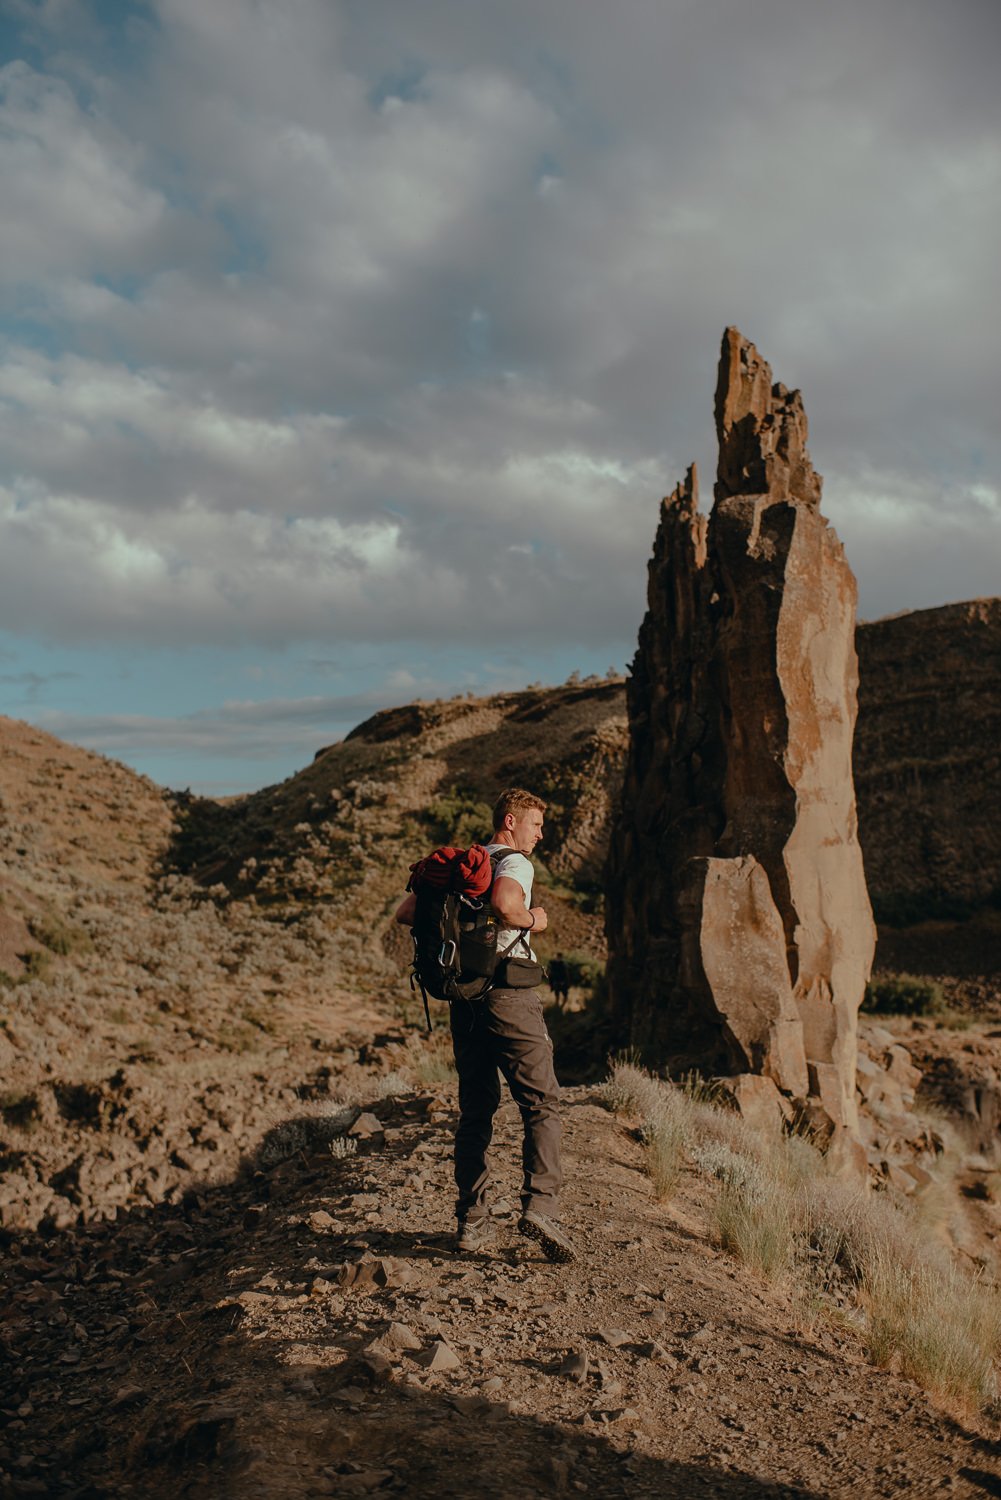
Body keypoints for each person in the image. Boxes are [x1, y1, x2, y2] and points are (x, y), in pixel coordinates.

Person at [396, 786, 574, 1263]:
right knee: (541, 1102)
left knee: (477, 1109)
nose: (540, 834)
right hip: (510, 995)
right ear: (510, 822)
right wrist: (534, 919)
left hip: (464, 995)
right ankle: (542, 1207)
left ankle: (471, 1221)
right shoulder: (513, 863)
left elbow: (406, 913)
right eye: (535, 824)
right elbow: (505, 904)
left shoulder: (461, 867)